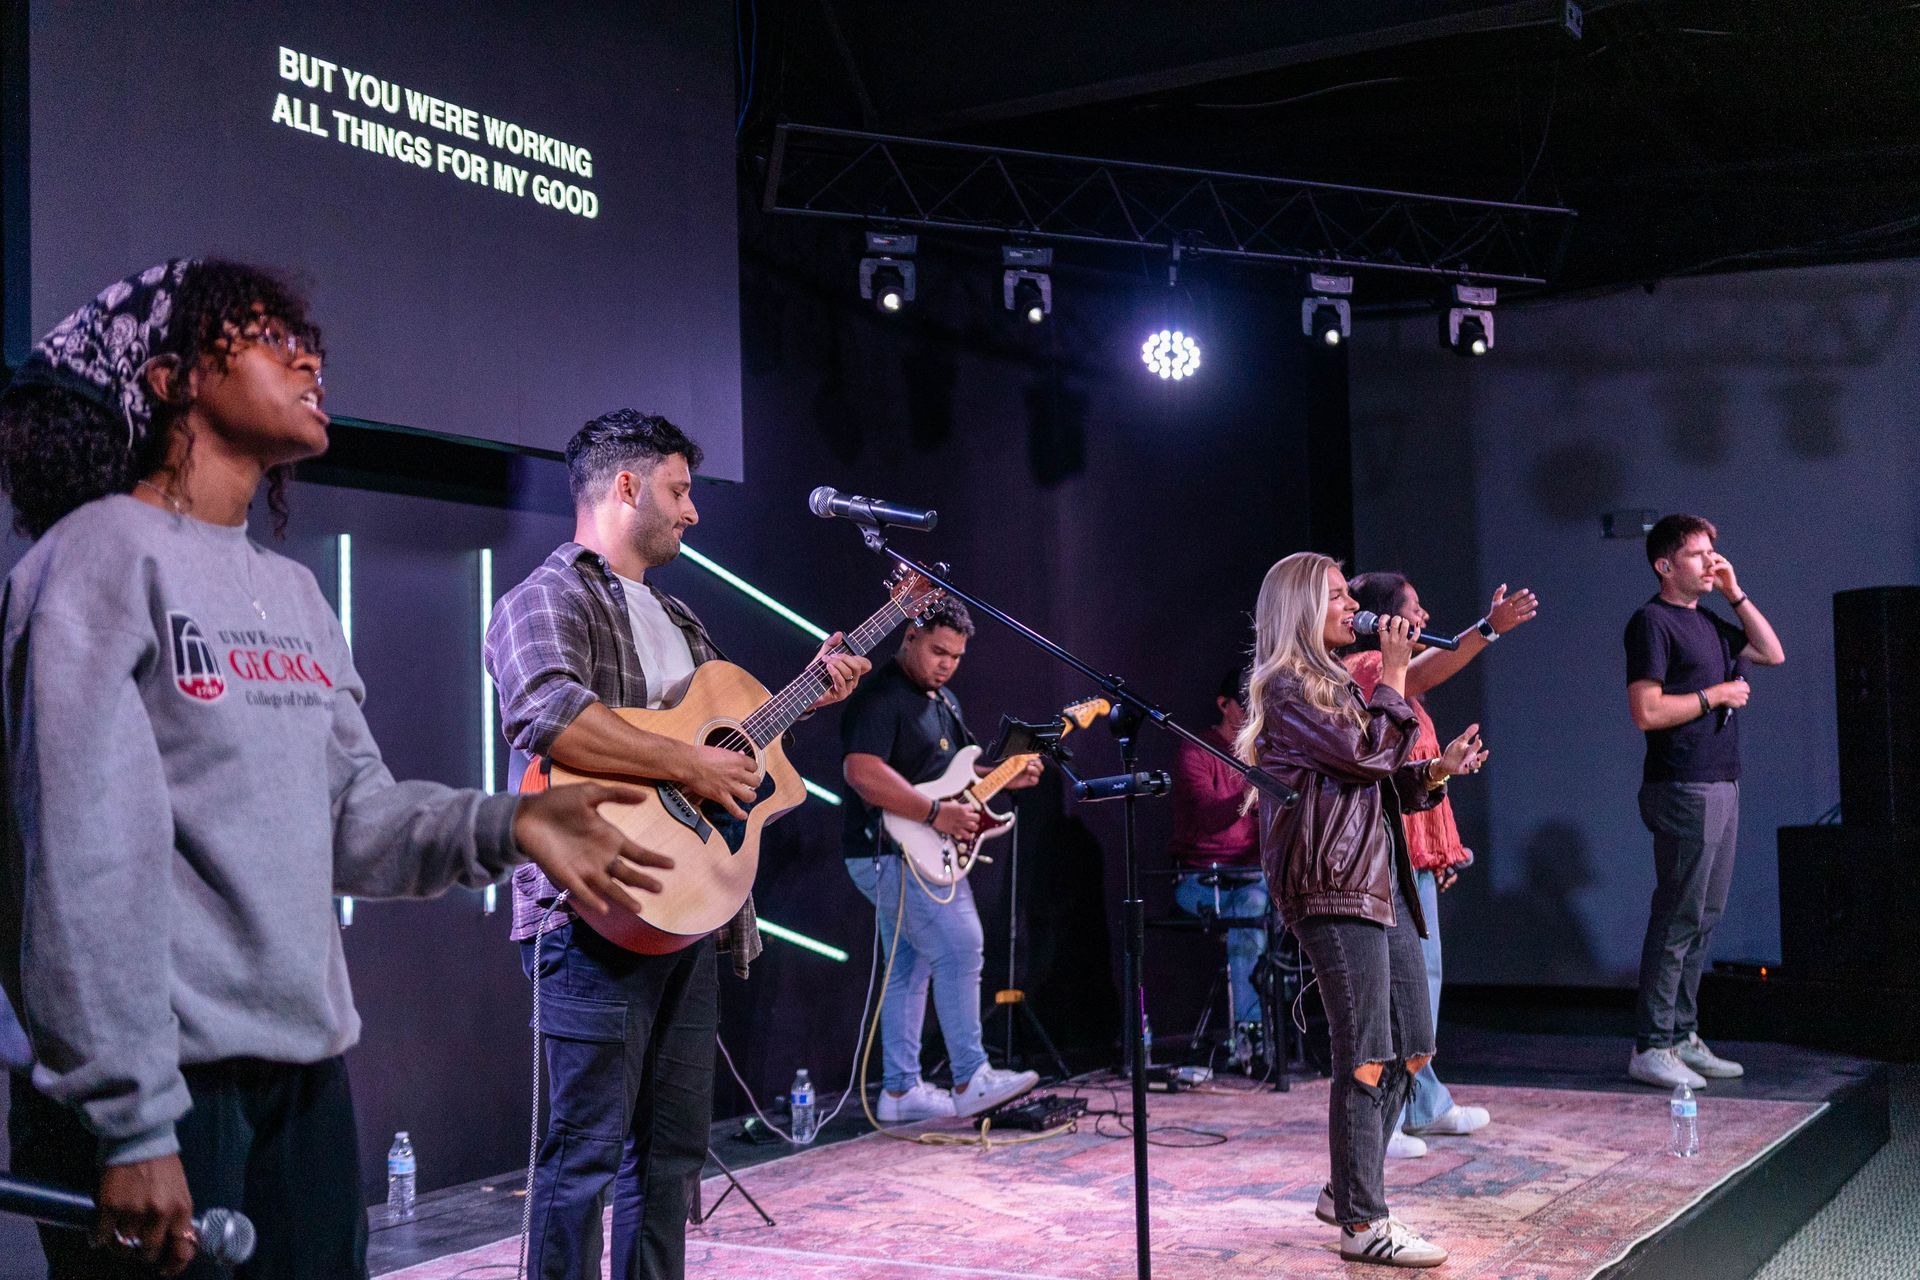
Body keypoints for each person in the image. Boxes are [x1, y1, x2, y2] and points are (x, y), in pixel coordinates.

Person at [0, 260, 656, 1280]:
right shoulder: (99, 555)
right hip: (156, 1092)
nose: (310, 356)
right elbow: (79, 860)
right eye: (265, 336)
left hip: (302, 1073)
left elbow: (356, 817)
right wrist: (131, 1123)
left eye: (307, 339)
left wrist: (510, 824)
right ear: (171, 374)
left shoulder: (294, 592)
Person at [484, 409, 868, 1280]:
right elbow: (547, 713)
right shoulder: (547, 597)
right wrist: (689, 763)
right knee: (580, 1160)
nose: (693, 512)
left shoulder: (681, 618)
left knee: (669, 1163)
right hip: (592, 916)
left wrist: (808, 697)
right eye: (679, 490)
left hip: (689, 914)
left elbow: (731, 752)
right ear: (626, 487)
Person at [1237, 552, 1487, 1269]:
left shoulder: (1342, 683)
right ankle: (1362, 1222)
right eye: (1339, 597)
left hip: (1380, 879)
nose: (1354, 607)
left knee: (1412, 1042)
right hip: (1333, 883)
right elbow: (1364, 755)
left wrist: (1437, 772)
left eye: (1352, 596)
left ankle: (1343, 1188)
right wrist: (1399, 677)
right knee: (1368, 1054)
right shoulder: (1288, 687)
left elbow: (1375, 779)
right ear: (1300, 609)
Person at [1342, 572, 1539, 1155]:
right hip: (1382, 859)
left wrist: (1440, 852)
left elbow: (1419, 769)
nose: (1425, 616)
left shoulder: (1400, 685)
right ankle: (1388, 1117)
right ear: (1385, 621)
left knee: (1421, 984)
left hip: (1413, 857)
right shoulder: (1372, 673)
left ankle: (1421, 1102)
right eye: (1414, 609)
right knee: (1401, 988)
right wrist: (1487, 629)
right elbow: (1428, 669)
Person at [839, 599, 1042, 1122]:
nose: (947, 663)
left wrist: (1007, 775)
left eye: (955, 655)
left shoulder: (944, 700)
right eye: (937, 651)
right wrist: (934, 814)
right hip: (890, 853)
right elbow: (862, 771)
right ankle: (971, 1075)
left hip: (916, 856)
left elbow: (962, 774)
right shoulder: (882, 697)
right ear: (909, 635)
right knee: (962, 944)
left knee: (909, 967)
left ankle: (901, 1093)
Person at [1624, 514, 1783, 1090]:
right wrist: (1713, 694)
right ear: (1665, 565)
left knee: (1706, 916)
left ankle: (1682, 1035)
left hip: (1722, 781)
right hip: (1682, 784)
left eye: (1714, 552)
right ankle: (1652, 1045)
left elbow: (1772, 652)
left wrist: (1735, 591)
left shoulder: (1713, 622)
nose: (1710, 563)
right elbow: (1646, 711)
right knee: (1679, 914)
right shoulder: (1651, 622)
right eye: (1698, 555)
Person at [1169, 666, 1267, 1070]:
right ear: (1224, 705)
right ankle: (1249, 1040)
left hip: (1250, 877)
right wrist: (1252, 786)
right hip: (1199, 878)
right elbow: (1210, 817)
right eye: (1245, 704)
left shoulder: (1264, 751)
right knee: (1248, 918)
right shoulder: (1196, 751)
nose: (1252, 712)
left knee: (1274, 905)